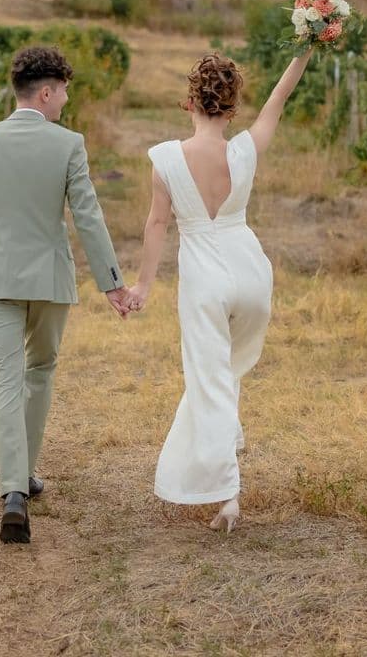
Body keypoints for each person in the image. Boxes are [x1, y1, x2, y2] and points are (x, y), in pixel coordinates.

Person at [126, 50, 312, 532]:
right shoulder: (245, 149)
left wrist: (143, 285)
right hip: (251, 272)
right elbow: (280, 97)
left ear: (189, 103)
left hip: (206, 279)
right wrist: (306, 46)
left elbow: (156, 223)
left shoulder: (166, 159)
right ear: (231, 110)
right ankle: (225, 439)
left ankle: (227, 493)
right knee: (226, 374)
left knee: (209, 379)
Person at [0, 45, 129, 545]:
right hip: (51, 279)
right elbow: (88, 217)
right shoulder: (69, 144)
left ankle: (13, 490)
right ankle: (25, 476)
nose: (66, 102)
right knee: (39, 371)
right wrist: (111, 283)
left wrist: (0, 240)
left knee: (2, 378)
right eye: (65, 93)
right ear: (48, 91)